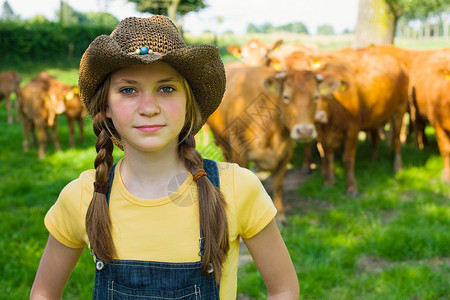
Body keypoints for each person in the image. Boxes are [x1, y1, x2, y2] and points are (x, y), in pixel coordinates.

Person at [30, 15, 299, 300]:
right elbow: (43, 293)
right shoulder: (83, 196)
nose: (149, 108)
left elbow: (283, 288)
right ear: (106, 105)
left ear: (187, 102)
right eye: (128, 90)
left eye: (166, 89)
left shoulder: (237, 188)